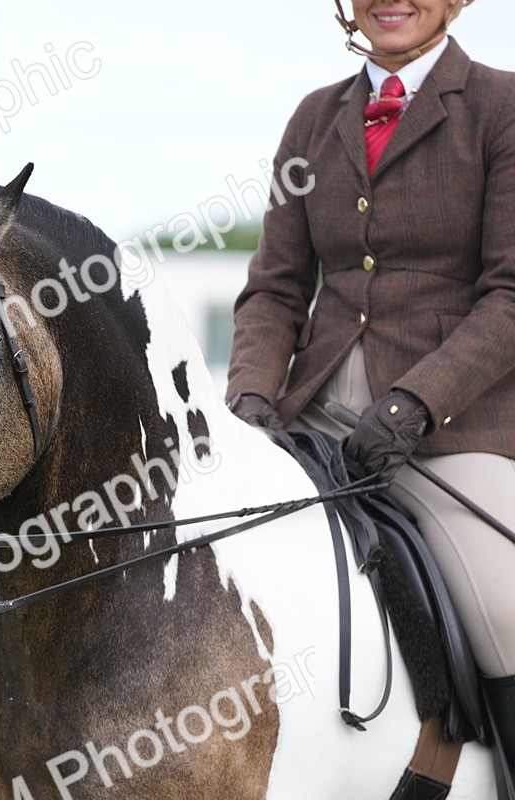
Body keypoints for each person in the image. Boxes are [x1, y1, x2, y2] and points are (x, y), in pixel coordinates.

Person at [225, 0, 515, 774]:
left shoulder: (501, 106)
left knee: (504, 606)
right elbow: (276, 290)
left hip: (453, 427)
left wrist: (415, 402)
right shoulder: (315, 118)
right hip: (312, 414)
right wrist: (251, 397)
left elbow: (510, 294)